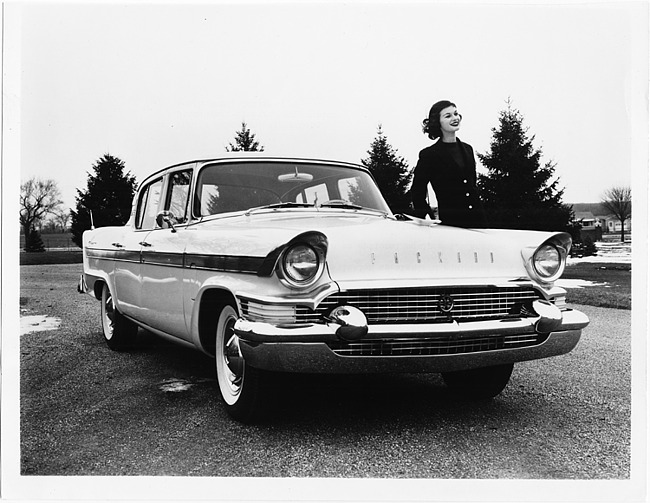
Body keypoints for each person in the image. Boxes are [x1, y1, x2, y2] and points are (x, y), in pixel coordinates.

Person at [410, 100, 487, 227]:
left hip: (479, 221)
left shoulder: (468, 149)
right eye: (448, 116)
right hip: (452, 224)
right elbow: (417, 191)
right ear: (437, 122)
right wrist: (426, 215)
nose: (455, 118)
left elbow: (472, 185)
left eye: (456, 114)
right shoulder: (429, 155)